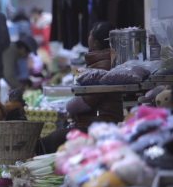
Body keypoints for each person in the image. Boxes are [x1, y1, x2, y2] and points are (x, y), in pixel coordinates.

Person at [37, 22, 123, 154]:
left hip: (98, 125)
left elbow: (85, 102)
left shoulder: (102, 66)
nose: (88, 37)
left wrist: (69, 107)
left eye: (90, 34)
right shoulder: (105, 62)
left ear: (95, 42)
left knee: (51, 140)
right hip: (97, 122)